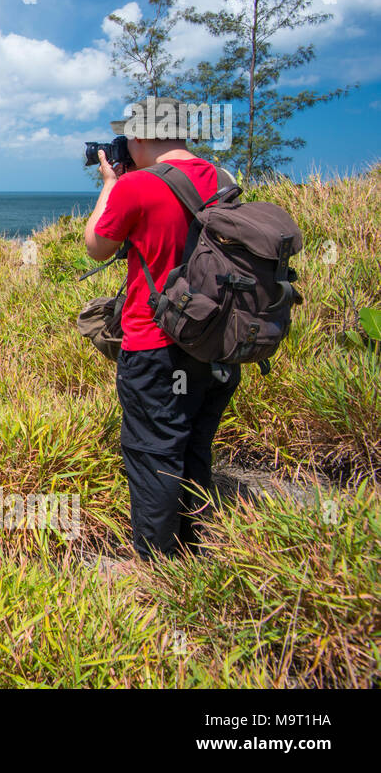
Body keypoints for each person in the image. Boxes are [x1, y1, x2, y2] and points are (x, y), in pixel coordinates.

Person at [83, 97, 240, 561]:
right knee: (194, 444)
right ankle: (195, 549)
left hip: (156, 343)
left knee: (153, 454)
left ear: (143, 136)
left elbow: (96, 246)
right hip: (218, 340)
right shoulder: (225, 180)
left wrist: (111, 185)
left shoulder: (139, 186)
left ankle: (158, 569)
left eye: (130, 136)